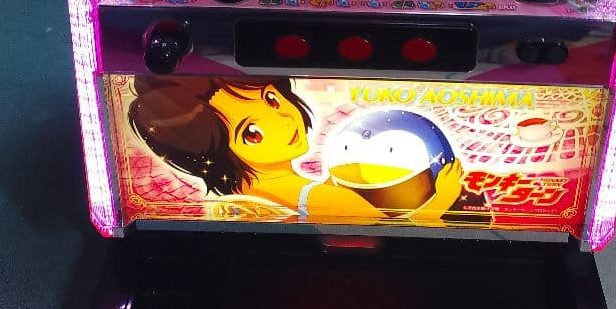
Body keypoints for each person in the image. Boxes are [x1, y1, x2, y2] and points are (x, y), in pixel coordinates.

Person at [129, 76, 463, 224]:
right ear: (216, 152)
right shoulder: (321, 198)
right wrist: (442, 201)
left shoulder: (243, 193)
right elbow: (391, 231)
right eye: (252, 132)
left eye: (271, 99)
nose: (284, 119)